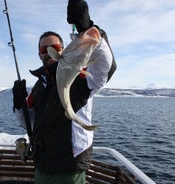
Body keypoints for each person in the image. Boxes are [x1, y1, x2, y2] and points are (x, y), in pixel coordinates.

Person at [12, 0, 116, 183]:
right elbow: (28, 121)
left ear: (63, 50)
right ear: (39, 54)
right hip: (41, 166)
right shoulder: (38, 87)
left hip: (68, 168)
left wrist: (87, 29)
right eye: (44, 49)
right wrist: (19, 104)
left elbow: (104, 70)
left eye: (55, 48)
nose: (48, 52)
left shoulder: (80, 79)